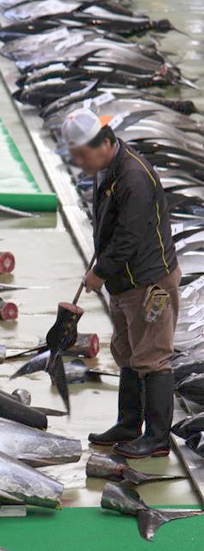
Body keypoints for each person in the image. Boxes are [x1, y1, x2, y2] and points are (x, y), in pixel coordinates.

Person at [61, 108, 181, 459]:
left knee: (153, 358)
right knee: (127, 353)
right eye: (76, 157)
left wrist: (99, 273)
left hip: (148, 282)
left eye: (84, 155)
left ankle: (157, 439)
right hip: (124, 283)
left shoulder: (133, 177)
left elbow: (129, 236)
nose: (81, 162)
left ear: (107, 142)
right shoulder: (106, 169)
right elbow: (109, 228)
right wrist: (102, 267)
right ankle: (129, 425)